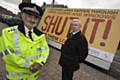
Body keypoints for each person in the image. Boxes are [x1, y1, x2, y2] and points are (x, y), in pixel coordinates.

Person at [0, 2, 49, 80]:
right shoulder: (7, 32)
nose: (33, 20)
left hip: (32, 77)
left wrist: (40, 62)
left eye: (35, 18)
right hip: (14, 77)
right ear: (22, 15)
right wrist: (30, 65)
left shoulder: (40, 35)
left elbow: (45, 50)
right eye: (29, 16)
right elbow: (8, 55)